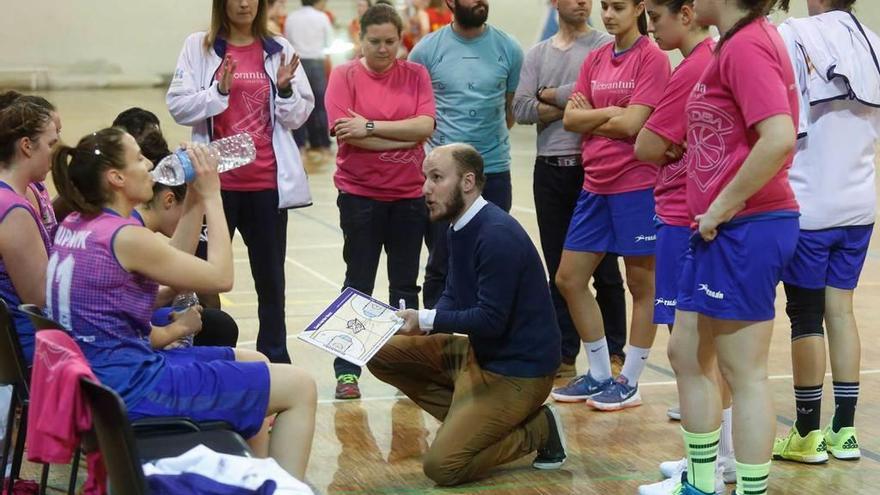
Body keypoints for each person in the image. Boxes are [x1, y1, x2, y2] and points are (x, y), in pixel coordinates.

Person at [48, 128, 317, 479]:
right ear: (116, 178)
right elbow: (220, 277)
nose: (149, 164)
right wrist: (214, 196)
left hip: (103, 384)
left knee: (256, 361)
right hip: (136, 390)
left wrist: (193, 195)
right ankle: (283, 488)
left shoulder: (78, 223)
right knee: (301, 387)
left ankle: (250, 481)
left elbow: (174, 265)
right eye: (139, 159)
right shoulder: (126, 236)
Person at [367, 143, 565, 486]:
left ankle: (538, 430)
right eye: (425, 178)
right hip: (483, 356)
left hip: (518, 371)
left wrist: (427, 320)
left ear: (468, 182)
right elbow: (455, 294)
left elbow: (491, 320)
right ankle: (472, 424)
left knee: (442, 467)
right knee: (378, 351)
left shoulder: (496, 235)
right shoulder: (458, 226)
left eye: (437, 178)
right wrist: (421, 325)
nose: (425, 188)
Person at [666, 1, 797, 494]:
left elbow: (779, 136)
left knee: (743, 373)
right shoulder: (730, 44)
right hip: (719, 229)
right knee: (685, 353)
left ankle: (749, 488)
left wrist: (721, 206)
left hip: (747, 226)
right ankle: (700, 483)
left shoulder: (747, 45)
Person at [167, 0, 315, 364]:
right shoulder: (198, 47)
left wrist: (283, 90)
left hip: (266, 185)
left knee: (271, 280)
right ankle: (208, 357)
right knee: (204, 278)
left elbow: (299, 115)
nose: (245, 3)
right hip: (215, 189)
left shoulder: (281, 49)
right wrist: (218, 92)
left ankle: (276, 359)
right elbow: (178, 106)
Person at [632, 1, 735, 493]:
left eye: (656, 17)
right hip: (694, 211)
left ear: (687, 14)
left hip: (680, 213)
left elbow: (645, 146)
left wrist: (664, 142)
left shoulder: (692, 67)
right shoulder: (714, 56)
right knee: (709, 352)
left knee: (691, 353)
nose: (650, 28)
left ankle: (708, 469)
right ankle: (723, 458)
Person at [772, 0, 879, 464]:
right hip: (860, 201)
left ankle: (808, 432)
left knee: (806, 316)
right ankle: (845, 431)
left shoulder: (789, 35)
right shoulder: (874, 42)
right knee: (841, 310)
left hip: (809, 203)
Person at [551, 0, 670, 409]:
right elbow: (569, 118)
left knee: (641, 284)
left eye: (618, 6)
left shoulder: (652, 59)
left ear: (639, 8)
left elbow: (633, 124)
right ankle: (600, 373)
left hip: (636, 186)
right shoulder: (597, 57)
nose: (608, 14)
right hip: (595, 183)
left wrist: (596, 116)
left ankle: (630, 379)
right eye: (605, 6)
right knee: (568, 278)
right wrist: (611, 113)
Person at [512, 0, 629, 380]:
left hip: (592, 169)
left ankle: (614, 350)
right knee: (558, 269)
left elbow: (605, 101)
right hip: (549, 171)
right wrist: (572, 105)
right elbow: (523, 109)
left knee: (606, 267)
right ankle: (565, 351)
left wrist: (547, 94)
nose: (583, 2)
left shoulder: (603, 48)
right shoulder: (537, 54)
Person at [324, 4, 436, 399]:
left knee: (405, 286)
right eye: (375, 42)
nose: (385, 49)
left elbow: (425, 127)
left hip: (409, 196)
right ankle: (347, 371)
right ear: (360, 38)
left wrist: (370, 126)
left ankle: (405, 367)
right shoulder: (344, 76)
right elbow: (346, 135)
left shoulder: (416, 74)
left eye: (392, 41)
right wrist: (404, 135)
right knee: (358, 284)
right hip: (360, 197)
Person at [408, 0, 524, 308]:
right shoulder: (425, 51)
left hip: (493, 172)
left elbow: (509, 110)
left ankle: (484, 343)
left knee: (490, 259)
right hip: (443, 178)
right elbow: (418, 113)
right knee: (441, 263)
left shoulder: (509, 48)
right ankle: (439, 339)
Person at [0, 101, 59, 363]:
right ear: (26, 146)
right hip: (28, 342)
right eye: (51, 145)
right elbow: (41, 296)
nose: (54, 154)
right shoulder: (12, 210)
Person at [285, 0, 334, 161]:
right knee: (320, 105)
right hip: (317, 63)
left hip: (298, 63)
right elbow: (329, 43)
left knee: (299, 105)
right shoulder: (322, 17)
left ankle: (300, 145)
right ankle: (323, 145)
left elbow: (288, 41)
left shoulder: (291, 17)